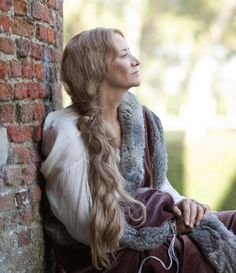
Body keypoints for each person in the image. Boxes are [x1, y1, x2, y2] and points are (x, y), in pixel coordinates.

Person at [40, 27, 236, 273]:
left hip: (153, 230)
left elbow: (160, 186)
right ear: (97, 67)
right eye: (123, 55)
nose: (136, 60)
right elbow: (84, 226)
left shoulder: (142, 120)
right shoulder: (67, 130)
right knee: (203, 254)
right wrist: (169, 227)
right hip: (106, 255)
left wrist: (184, 204)